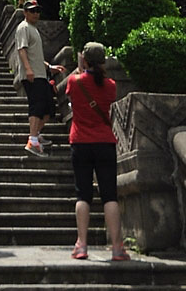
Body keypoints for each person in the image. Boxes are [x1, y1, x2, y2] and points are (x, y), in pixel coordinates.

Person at [66, 41, 129, 261]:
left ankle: (81, 245)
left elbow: (70, 94)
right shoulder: (111, 85)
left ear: (84, 59)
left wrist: (79, 68)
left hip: (80, 142)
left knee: (82, 194)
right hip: (105, 142)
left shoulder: (74, 82)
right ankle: (117, 247)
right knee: (109, 195)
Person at [15, 0, 65, 156]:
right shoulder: (23, 27)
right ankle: (32, 140)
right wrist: (28, 70)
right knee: (37, 106)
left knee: (48, 109)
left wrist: (49, 67)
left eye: (37, 11)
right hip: (32, 75)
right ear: (25, 12)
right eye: (32, 11)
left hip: (40, 74)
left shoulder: (33, 29)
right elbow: (21, 50)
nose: (35, 13)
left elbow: (35, 55)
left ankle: (36, 135)